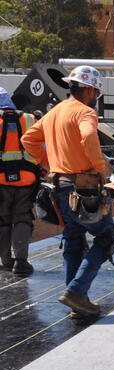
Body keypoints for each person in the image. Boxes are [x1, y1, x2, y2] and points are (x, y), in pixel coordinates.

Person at [21, 65, 114, 318]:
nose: (96, 97)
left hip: (60, 186)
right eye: (95, 92)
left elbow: (27, 140)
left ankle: (77, 303)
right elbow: (88, 137)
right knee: (106, 240)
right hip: (84, 187)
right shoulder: (84, 113)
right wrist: (100, 168)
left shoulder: (55, 112)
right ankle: (76, 292)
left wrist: (47, 162)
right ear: (88, 89)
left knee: (73, 240)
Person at [0, 88, 40, 276]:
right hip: (27, 179)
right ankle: (21, 262)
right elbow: (41, 145)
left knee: (2, 220)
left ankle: (6, 260)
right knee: (23, 218)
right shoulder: (29, 119)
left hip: (1, 181)